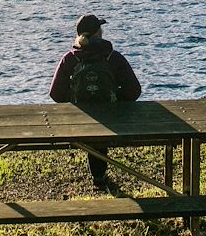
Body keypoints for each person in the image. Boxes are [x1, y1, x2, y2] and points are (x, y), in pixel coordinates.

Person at [49, 13, 142, 189]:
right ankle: (100, 177)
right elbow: (134, 91)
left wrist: (76, 102)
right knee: (101, 126)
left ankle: (98, 176)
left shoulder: (70, 58)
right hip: (113, 120)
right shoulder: (113, 57)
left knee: (91, 127)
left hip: (79, 121)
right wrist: (115, 98)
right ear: (99, 33)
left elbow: (55, 93)